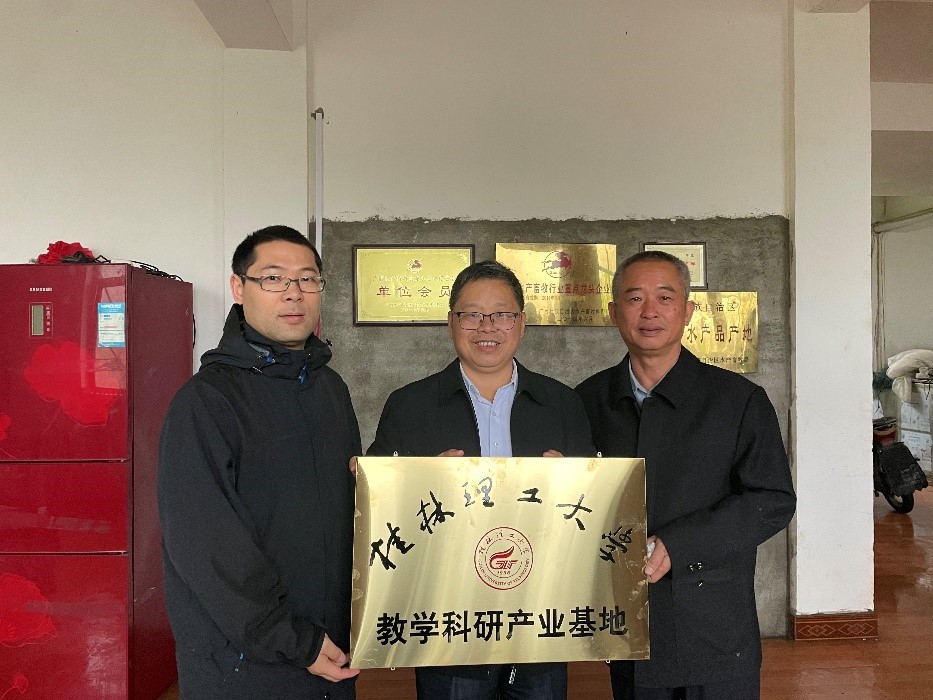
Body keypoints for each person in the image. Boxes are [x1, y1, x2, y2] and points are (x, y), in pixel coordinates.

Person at [368, 259, 595, 700]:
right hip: (447, 621)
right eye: (471, 314)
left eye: (502, 314)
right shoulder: (409, 406)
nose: (487, 326)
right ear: (451, 322)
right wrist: (416, 484)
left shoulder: (562, 404)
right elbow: (380, 512)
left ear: (522, 323)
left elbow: (591, 509)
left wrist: (570, 484)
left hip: (541, 617)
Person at [575, 251, 796, 700]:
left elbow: (771, 499)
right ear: (614, 313)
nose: (649, 311)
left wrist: (679, 544)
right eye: (634, 298)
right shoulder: (586, 401)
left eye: (665, 297)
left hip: (715, 621)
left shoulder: (738, 400)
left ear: (688, 310)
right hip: (629, 621)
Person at [158, 225, 361, 699]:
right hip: (246, 661)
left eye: (307, 279)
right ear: (239, 287)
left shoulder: (330, 389)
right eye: (273, 278)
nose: (294, 293)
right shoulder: (206, 401)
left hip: (329, 648)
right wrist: (294, 639)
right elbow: (207, 546)